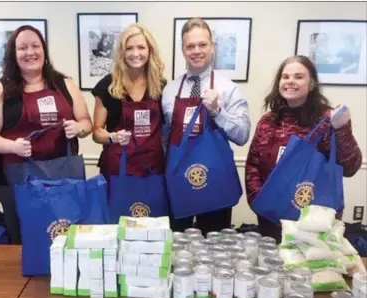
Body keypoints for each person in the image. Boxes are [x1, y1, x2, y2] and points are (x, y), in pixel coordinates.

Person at [0, 25, 92, 244]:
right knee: (27, 238)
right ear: (13, 53)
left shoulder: (64, 84)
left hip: (63, 174)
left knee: (65, 232)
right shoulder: (0, 90)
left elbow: (86, 121)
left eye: (35, 46)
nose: (30, 52)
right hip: (19, 179)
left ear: (44, 50)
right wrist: (12, 146)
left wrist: (79, 128)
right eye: (22, 48)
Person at [245, 55, 362, 242]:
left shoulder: (327, 119)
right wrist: (259, 200)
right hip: (272, 214)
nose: (290, 81)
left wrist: (342, 129)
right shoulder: (268, 121)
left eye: (298, 77)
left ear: (312, 83)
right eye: (285, 77)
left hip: (313, 220)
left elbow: (351, 167)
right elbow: (253, 164)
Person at [162, 18, 250, 236]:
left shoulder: (229, 89)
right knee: (177, 243)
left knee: (214, 246)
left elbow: (243, 135)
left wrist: (218, 112)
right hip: (179, 182)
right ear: (183, 50)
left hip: (215, 183)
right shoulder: (169, 90)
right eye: (190, 46)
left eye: (202, 45)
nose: (196, 51)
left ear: (212, 47)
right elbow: (165, 138)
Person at [92, 23, 167, 219]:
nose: (135, 53)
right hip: (118, 170)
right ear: (121, 53)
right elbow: (96, 132)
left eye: (141, 47)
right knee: (117, 223)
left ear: (150, 51)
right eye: (129, 48)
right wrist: (113, 137)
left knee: (152, 225)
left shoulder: (160, 86)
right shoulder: (107, 86)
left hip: (152, 170)